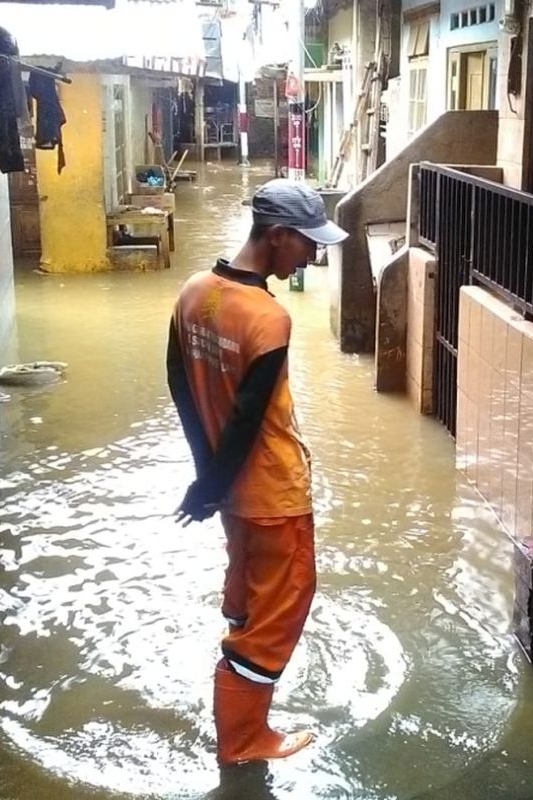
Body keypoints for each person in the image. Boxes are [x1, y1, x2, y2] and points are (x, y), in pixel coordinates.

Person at [166, 179, 347, 765]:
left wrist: (207, 482)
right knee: (282, 610)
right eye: (308, 244)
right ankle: (245, 741)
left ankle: (238, 719)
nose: (314, 256)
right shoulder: (268, 317)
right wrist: (212, 481)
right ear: (277, 237)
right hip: (273, 490)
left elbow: (180, 387)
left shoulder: (194, 292)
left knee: (250, 596)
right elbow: (249, 419)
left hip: (232, 491)